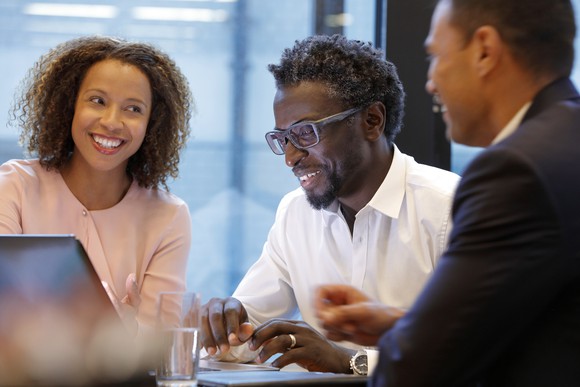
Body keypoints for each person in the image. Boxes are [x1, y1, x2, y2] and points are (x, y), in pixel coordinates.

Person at [315, 0, 580, 385]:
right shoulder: (566, 139)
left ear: (485, 51)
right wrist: (404, 325)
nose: (430, 82)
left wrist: (409, 341)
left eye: (435, 56)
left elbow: (415, 369)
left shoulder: (515, 170)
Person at [201, 34, 460, 373]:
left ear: (372, 121)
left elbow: (474, 353)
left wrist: (350, 361)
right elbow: (246, 337)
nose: (291, 158)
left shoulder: (450, 208)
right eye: (283, 138)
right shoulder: (296, 212)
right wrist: (225, 324)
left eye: (306, 133)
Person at [0, 36, 194, 335]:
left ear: (152, 124)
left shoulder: (169, 216)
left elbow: (161, 343)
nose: (112, 122)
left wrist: (132, 333)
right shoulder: (14, 187)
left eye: (133, 109)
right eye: (97, 100)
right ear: (68, 106)